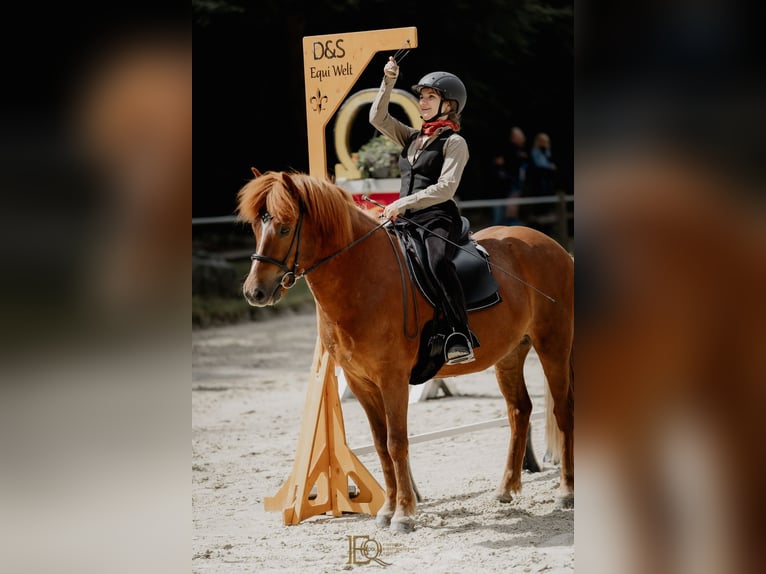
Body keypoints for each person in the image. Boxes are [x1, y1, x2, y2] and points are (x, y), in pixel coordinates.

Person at [369, 56, 477, 365]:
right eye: (421, 96)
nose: (423, 101)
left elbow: (446, 188)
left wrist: (402, 203)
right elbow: (377, 117)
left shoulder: (455, 142)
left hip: (437, 217)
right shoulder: (412, 137)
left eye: (431, 96)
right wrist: (388, 80)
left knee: (437, 261)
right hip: (404, 219)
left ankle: (460, 332)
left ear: (449, 105)